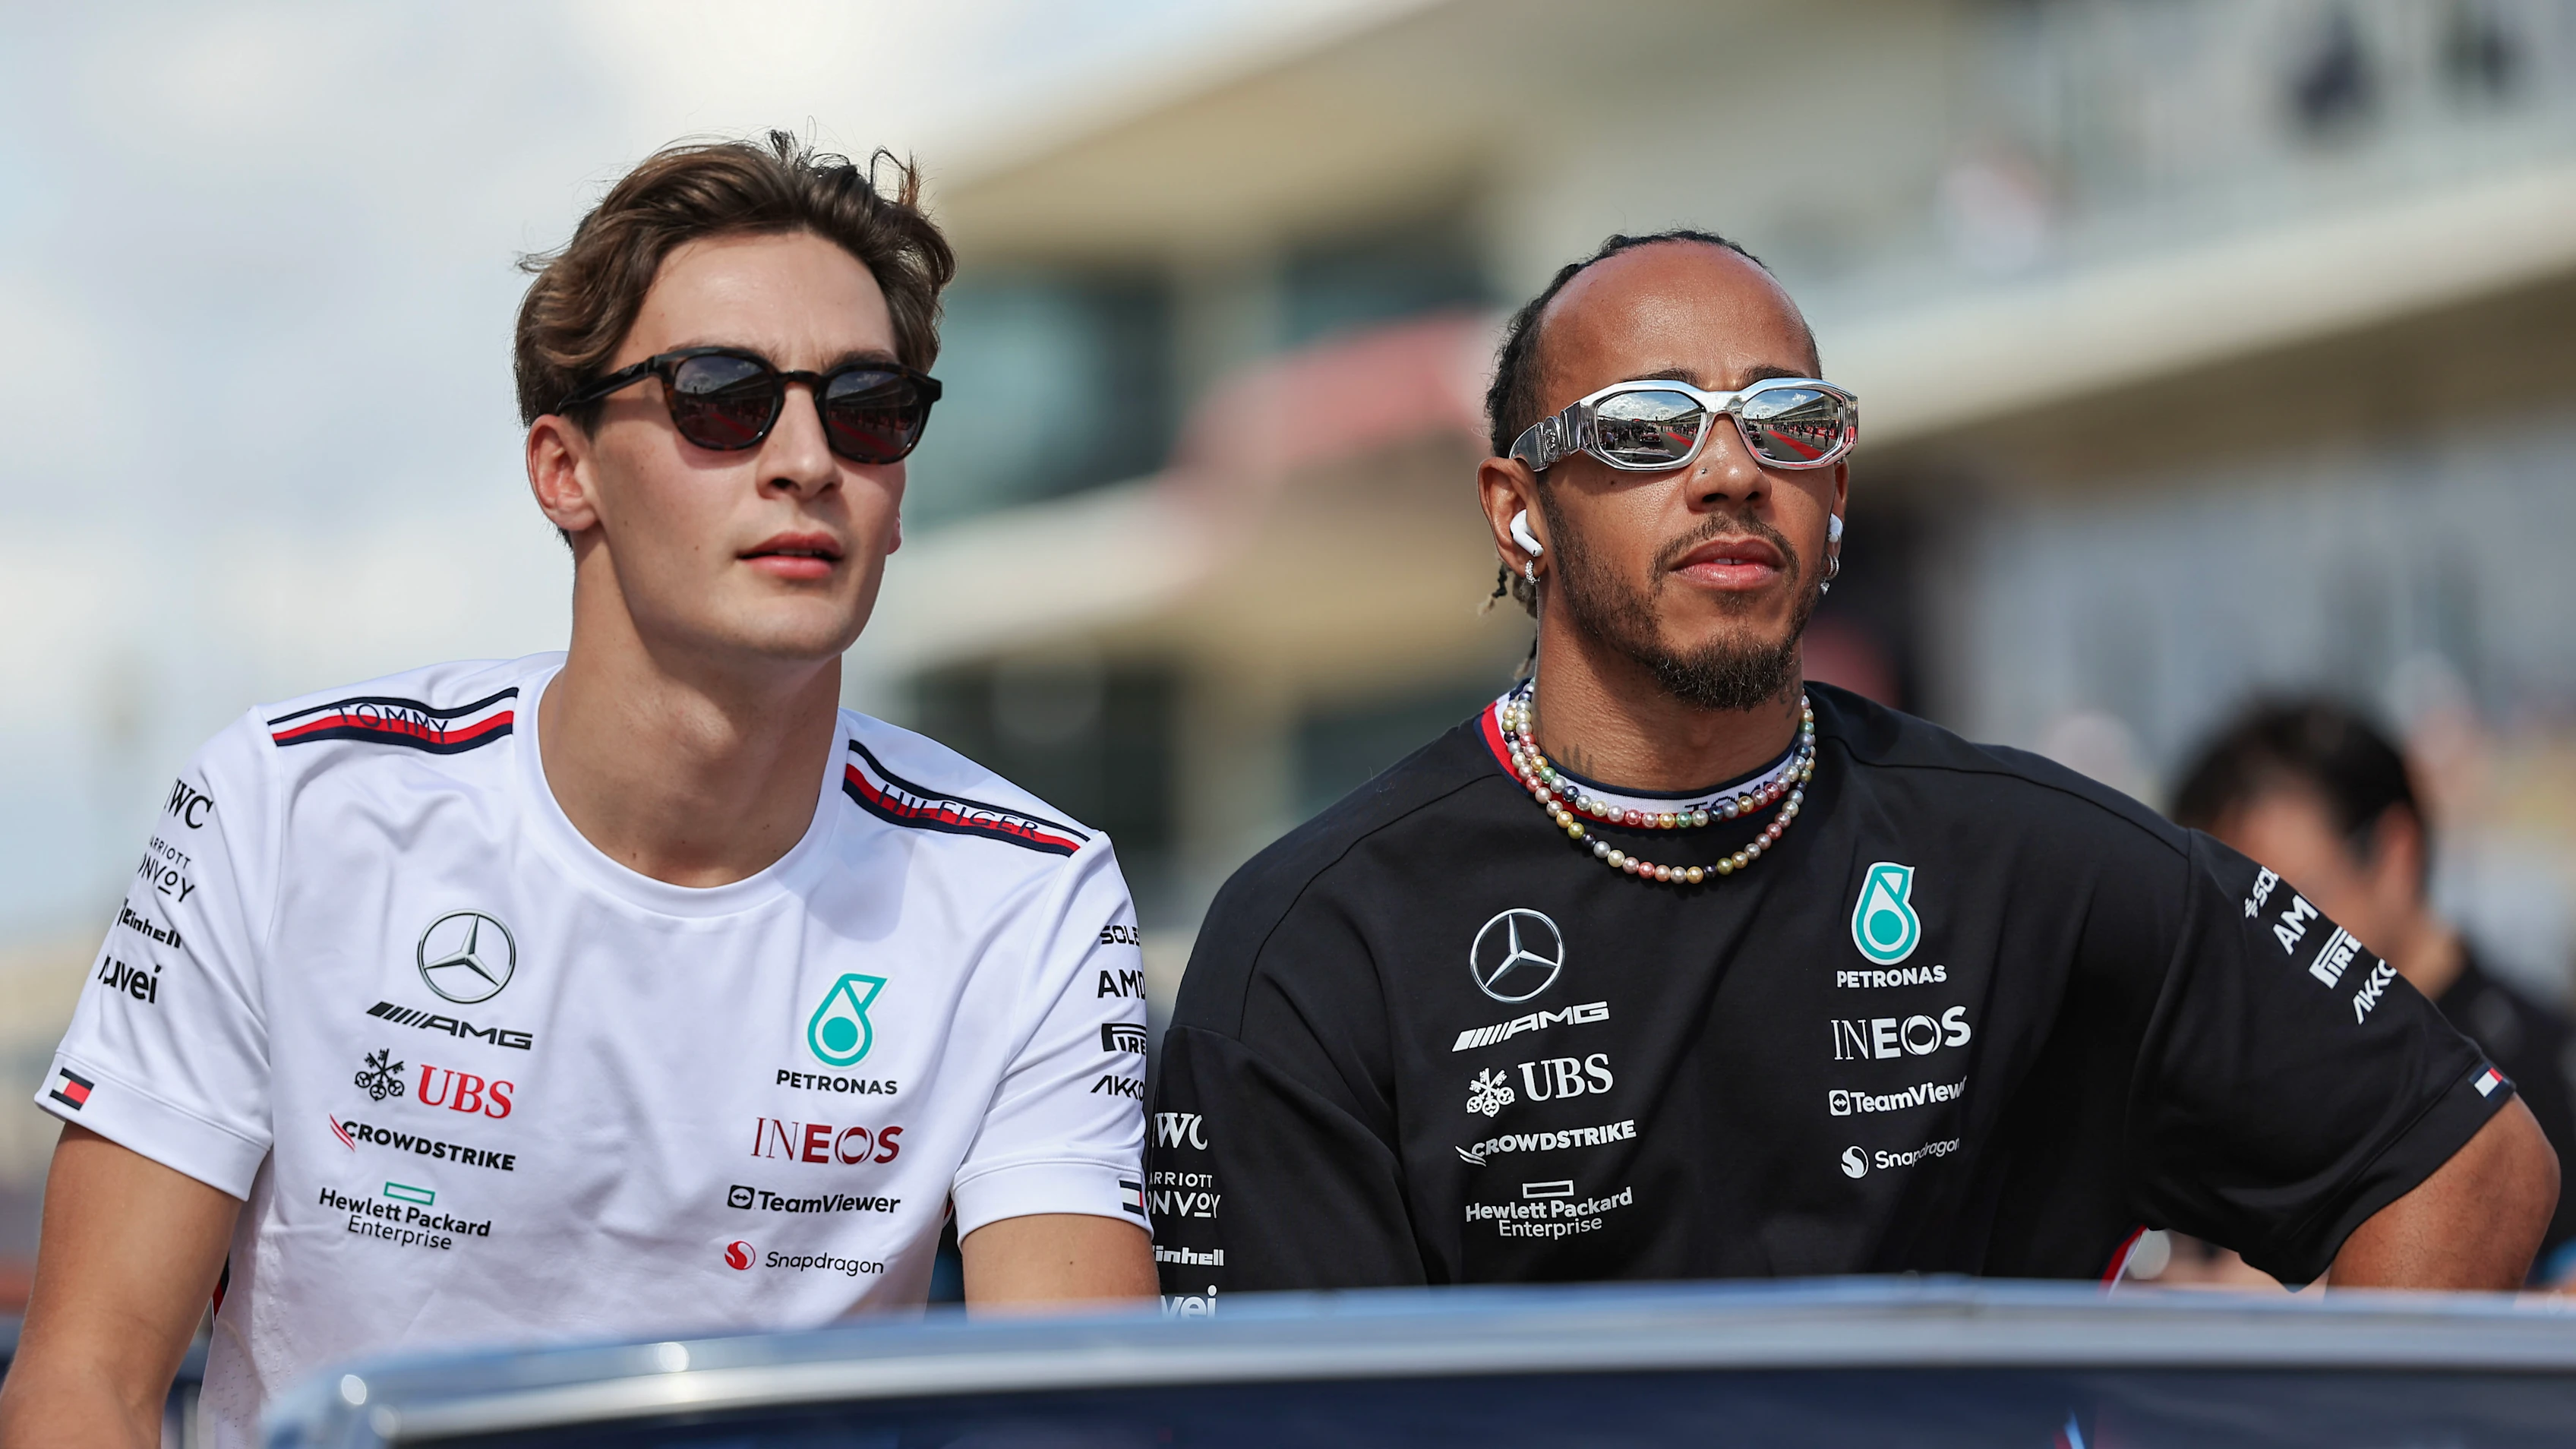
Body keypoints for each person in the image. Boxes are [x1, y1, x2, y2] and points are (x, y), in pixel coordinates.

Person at [1144, 230, 2555, 1307]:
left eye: (1789, 422)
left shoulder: (2032, 858)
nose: (1729, 470)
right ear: (1518, 511)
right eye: (1644, 429)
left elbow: (2466, 1162)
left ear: (1836, 488)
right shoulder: (1314, 941)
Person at [0, 134, 1154, 1449]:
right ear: (565, 470)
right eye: (722, 397)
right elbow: (83, 1383)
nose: (804, 458)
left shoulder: (1033, 891)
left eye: (868, 404)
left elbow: (1072, 1414)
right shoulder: (285, 806)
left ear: (898, 486)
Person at [2172, 697, 2576, 1283]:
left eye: (2288, 909)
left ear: (2393, 852)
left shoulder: (2542, 1070)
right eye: (2228, 922)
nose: (2258, 953)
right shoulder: (2219, 1082)